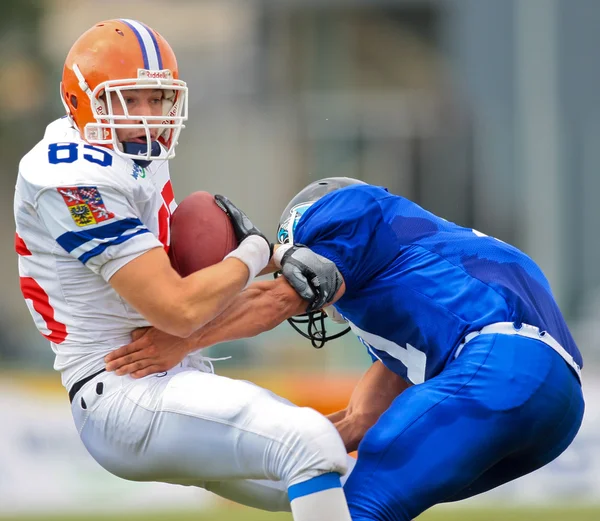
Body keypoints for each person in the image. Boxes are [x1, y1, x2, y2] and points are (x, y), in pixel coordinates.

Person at [14, 20, 357, 521]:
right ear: (79, 101)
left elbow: (182, 289)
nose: (148, 117)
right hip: (121, 392)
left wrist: (270, 262)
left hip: (173, 374)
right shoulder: (69, 176)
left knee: (353, 486)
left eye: (157, 99)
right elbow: (176, 309)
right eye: (130, 101)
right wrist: (257, 251)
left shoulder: (130, 151)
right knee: (310, 440)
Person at [107, 177, 586, 521]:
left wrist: (183, 338)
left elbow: (279, 294)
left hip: (503, 365)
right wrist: (235, 460)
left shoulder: (349, 212)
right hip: (557, 406)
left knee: (361, 508)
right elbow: (358, 422)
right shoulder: (418, 288)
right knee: (353, 500)